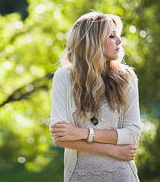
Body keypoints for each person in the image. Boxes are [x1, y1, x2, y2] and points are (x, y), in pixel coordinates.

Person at [50, 12, 141, 182]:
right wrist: (112, 150)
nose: (119, 41)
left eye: (118, 36)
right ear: (94, 42)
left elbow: (132, 134)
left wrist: (81, 133)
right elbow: (61, 137)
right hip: (79, 176)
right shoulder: (64, 77)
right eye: (112, 36)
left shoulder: (126, 77)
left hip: (120, 175)